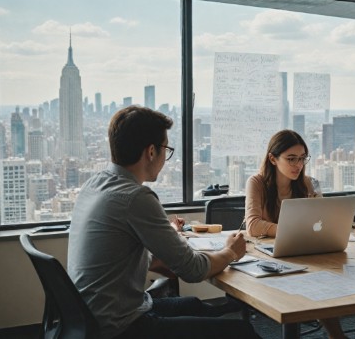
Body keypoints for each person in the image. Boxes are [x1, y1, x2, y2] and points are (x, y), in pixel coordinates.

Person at [68, 106, 259, 339]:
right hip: (121, 327)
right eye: (166, 149)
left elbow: (118, 251)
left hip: (91, 318)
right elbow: (194, 270)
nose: (166, 158)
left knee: (193, 305)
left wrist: (162, 244)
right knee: (241, 332)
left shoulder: (94, 184)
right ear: (151, 151)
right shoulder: (136, 197)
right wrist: (230, 251)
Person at [245, 129, 355, 339]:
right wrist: (292, 229)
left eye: (302, 159)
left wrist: (354, 229)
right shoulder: (256, 182)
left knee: (328, 274)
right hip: (267, 254)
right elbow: (253, 225)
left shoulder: (308, 184)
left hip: (303, 250)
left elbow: (323, 221)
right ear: (273, 159)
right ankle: (336, 335)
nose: (298, 165)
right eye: (291, 159)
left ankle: (335, 335)